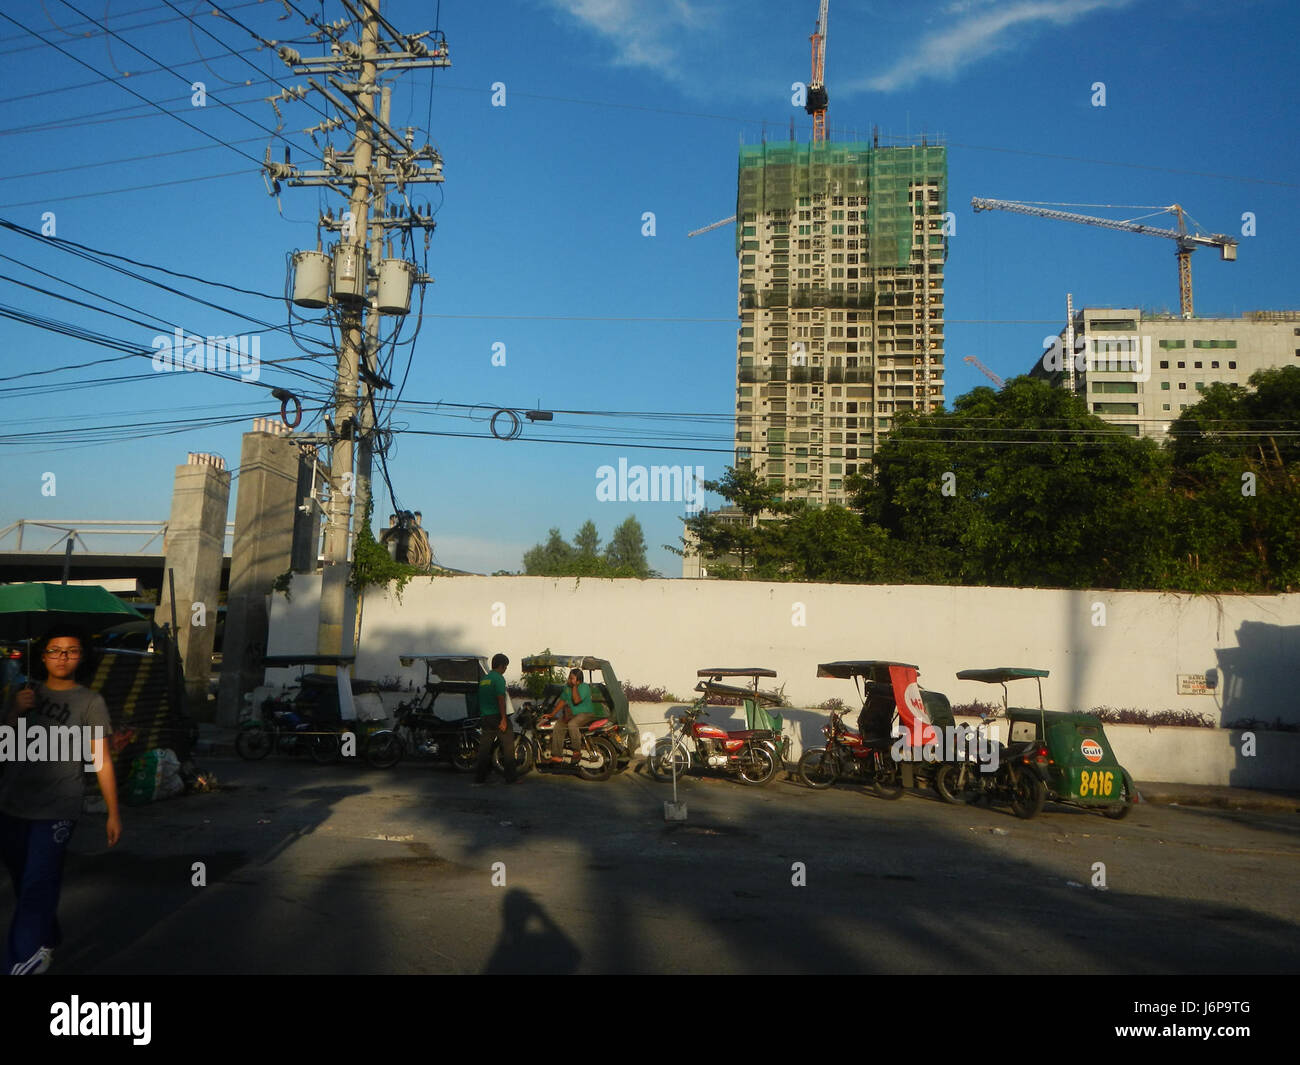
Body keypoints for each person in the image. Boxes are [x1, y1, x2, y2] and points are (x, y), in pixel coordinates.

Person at [0, 626, 121, 975]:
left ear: (82, 657)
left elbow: (102, 760)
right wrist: (13, 714)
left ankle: (20, 961)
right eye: (55, 650)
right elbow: (6, 747)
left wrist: (114, 813)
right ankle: (49, 936)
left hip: (57, 809)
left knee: (38, 885)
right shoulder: (25, 693)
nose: (62, 656)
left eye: (71, 650)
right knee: (26, 883)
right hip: (11, 804)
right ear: (42, 655)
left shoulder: (90, 702)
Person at [474, 653, 517, 784]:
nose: (505, 669)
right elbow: (500, 699)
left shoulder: (484, 679)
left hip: (485, 717)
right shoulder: (498, 679)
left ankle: (479, 778)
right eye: (505, 667)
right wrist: (503, 719)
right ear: (501, 666)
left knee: (484, 749)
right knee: (509, 746)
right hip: (497, 716)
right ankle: (511, 778)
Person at [546, 669, 598, 765]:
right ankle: (557, 756)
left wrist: (574, 686)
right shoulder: (567, 687)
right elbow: (562, 700)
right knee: (559, 725)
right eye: (569, 677)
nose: (568, 680)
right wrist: (552, 714)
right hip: (573, 714)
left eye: (571, 678)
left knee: (572, 724)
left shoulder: (584, 687)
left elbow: (576, 700)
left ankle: (577, 751)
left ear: (578, 680)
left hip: (586, 713)